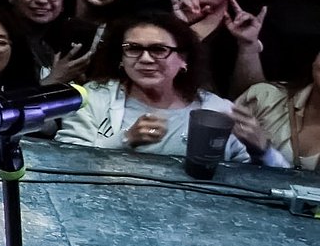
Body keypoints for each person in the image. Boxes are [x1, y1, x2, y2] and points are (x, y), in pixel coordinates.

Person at [55, 14, 285, 165]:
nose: (145, 59)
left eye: (158, 49)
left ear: (183, 60)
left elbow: (273, 185)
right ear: (121, 59)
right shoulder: (95, 97)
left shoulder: (219, 110)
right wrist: (125, 140)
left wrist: (263, 151)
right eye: (133, 49)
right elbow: (65, 161)